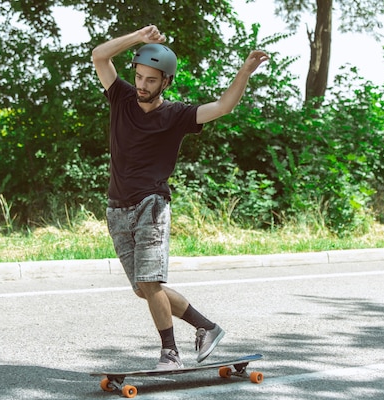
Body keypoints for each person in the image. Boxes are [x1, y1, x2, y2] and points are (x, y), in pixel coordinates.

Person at [92, 25, 269, 370]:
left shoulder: (176, 115)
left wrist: (244, 72)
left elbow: (222, 107)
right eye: (139, 77)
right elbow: (100, 55)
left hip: (151, 205)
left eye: (151, 80)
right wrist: (139, 39)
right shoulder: (121, 97)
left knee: (150, 282)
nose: (142, 85)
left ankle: (170, 353)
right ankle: (206, 327)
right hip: (116, 207)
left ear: (166, 82)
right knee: (144, 290)